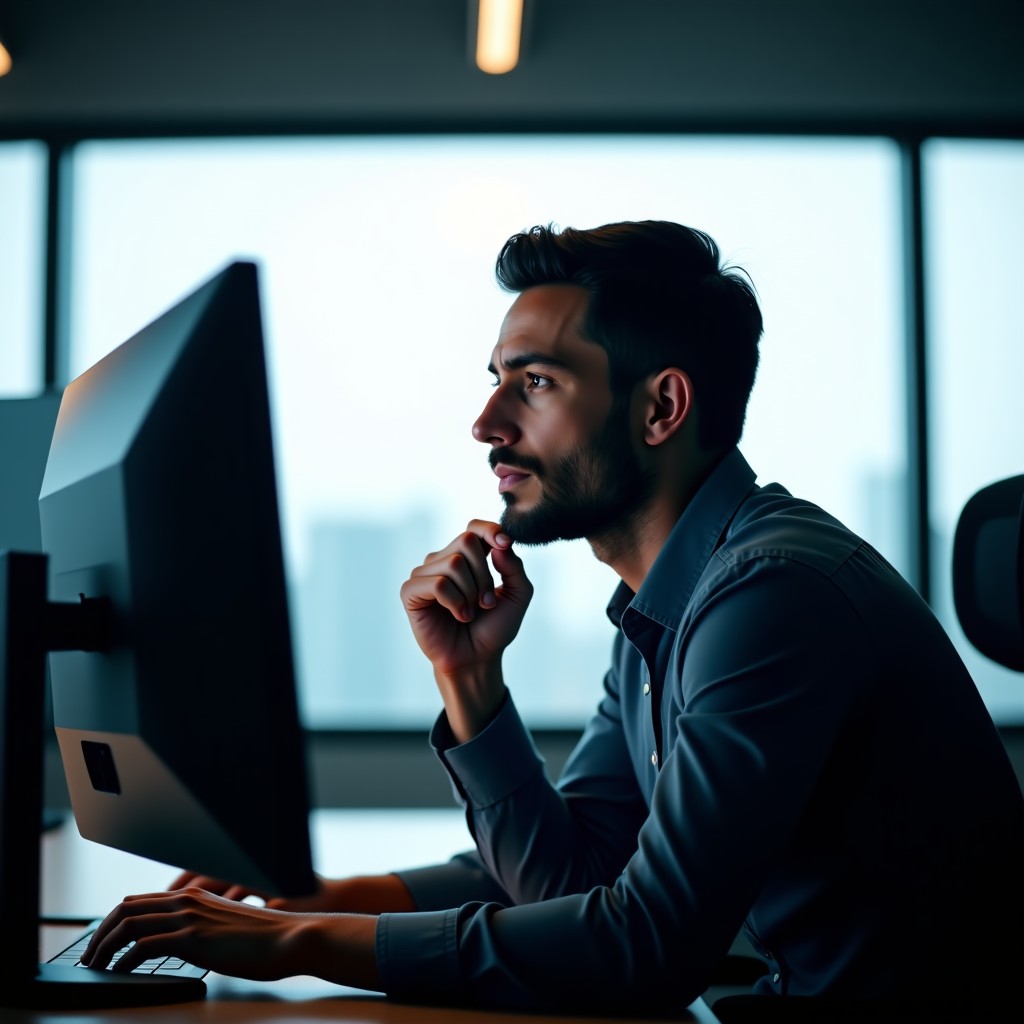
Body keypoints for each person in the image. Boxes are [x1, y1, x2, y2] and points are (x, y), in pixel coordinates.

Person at [82, 221, 1024, 1018]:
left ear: (661, 407)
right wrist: (465, 689)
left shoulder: (770, 598)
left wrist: (303, 939)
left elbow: (644, 947)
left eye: (533, 382)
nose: (486, 420)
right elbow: (577, 878)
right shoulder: (670, 607)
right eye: (496, 377)